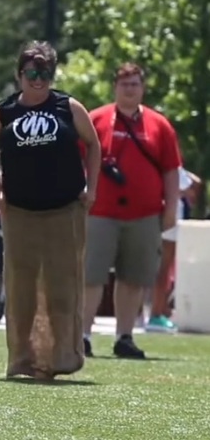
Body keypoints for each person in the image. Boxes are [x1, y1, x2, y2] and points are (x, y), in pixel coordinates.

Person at [0, 40, 100, 380]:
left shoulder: (68, 106)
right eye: (31, 72)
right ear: (19, 75)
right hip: (19, 211)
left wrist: (92, 188)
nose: (38, 79)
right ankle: (22, 359)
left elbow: (93, 144)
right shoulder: (2, 113)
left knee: (63, 285)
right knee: (21, 288)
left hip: (64, 210)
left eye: (45, 72)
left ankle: (63, 356)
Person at [82, 63, 181, 358]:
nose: (130, 89)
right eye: (124, 84)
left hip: (144, 214)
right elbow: (77, 159)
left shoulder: (159, 125)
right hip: (99, 211)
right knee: (91, 276)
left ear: (143, 87)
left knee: (133, 278)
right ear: (115, 87)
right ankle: (82, 336)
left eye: (135, 84)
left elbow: (171, 171)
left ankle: (124, 337)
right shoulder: (95, 119)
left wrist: (171, 209)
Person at [148, 167, 198, 332]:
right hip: (170, 218)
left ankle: (149, 313)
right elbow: (188, 185)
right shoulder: (170, 163)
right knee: (163, 270)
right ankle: (156, 314)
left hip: (149, 215)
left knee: (152, 269)